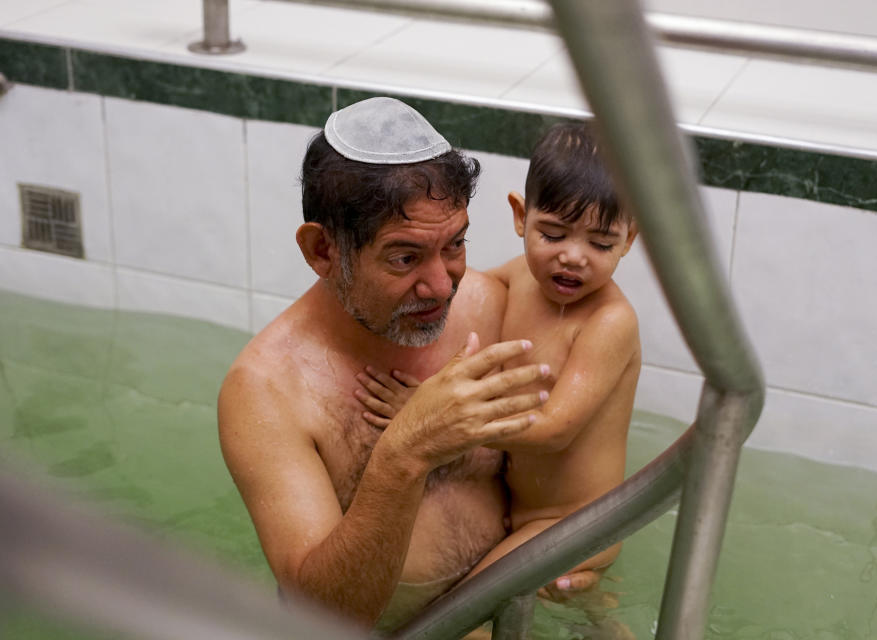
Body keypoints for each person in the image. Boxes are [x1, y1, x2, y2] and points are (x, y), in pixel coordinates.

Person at [217, 97, 554, 632]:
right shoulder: (266, 391)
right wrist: (407, 450)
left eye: (455, 244)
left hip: (507, 611)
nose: (443, 285)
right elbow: (323, 619)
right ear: (323, 250)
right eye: (404, 257)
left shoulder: (487, 308)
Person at [356, 121, 642, 599]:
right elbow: (451, 304)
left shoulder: (609, 323)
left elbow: (554, 429)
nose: (573, 258)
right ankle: (606, 622)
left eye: (600, 244)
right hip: (519, 509)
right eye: (552, 234)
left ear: (629, 239)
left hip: (573, 523)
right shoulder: (518, 281)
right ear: (520, 217)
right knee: (580, 613)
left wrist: (438, 415)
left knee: (467, 614)